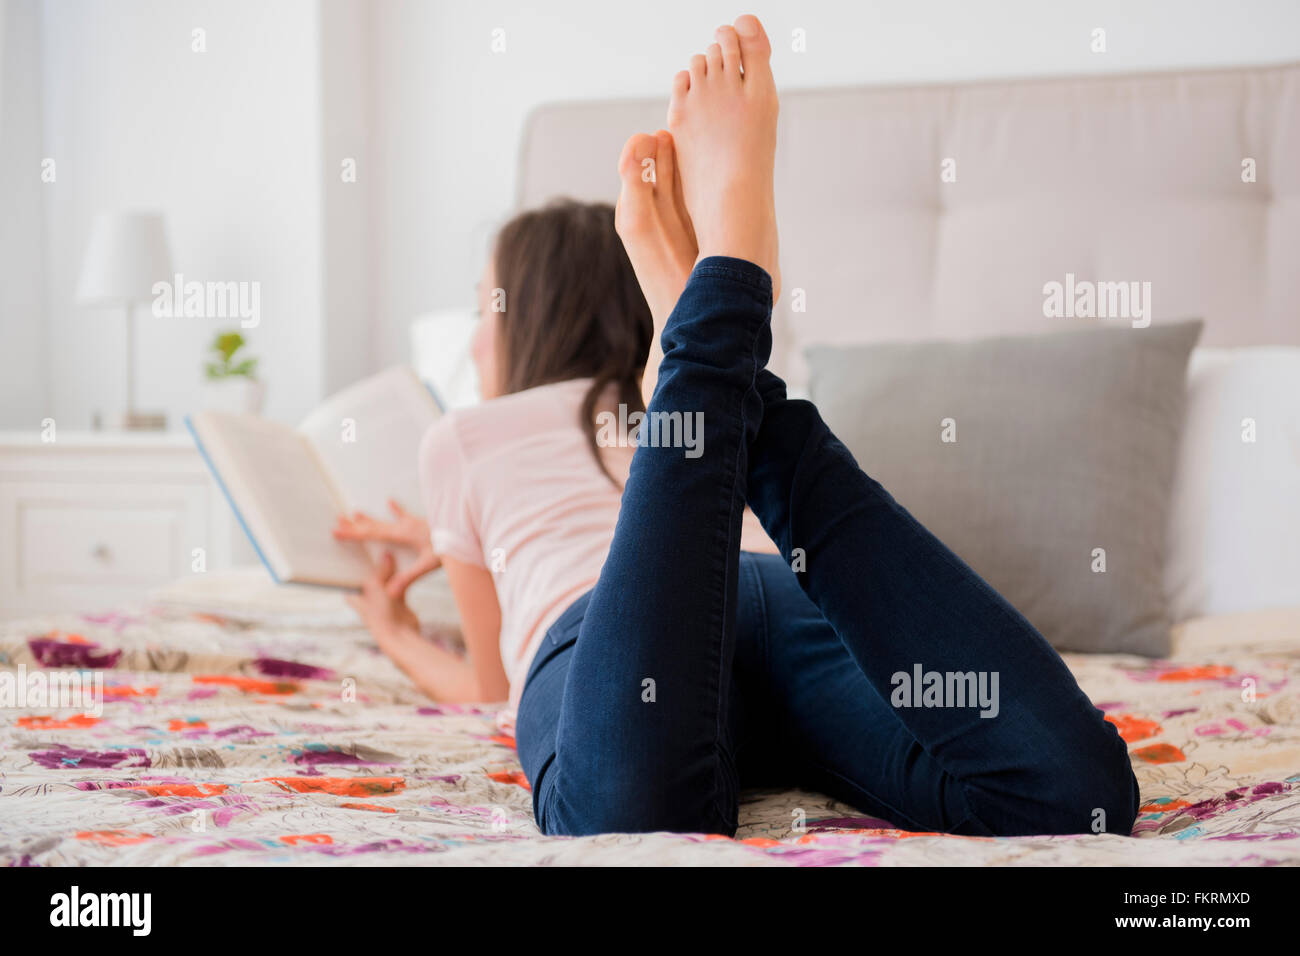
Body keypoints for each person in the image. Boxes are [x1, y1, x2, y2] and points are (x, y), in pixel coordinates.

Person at [344, 14, 1140, 839]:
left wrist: (393, 631)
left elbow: (485, 680)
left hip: (612, 632)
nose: (477, 334)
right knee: (1070, 796)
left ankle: (724, 294)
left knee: (623, 827)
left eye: (485, 308)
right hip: (789, 592)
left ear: (529, 318)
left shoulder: (467, 437)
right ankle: (723, 317)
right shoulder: (641, 407)